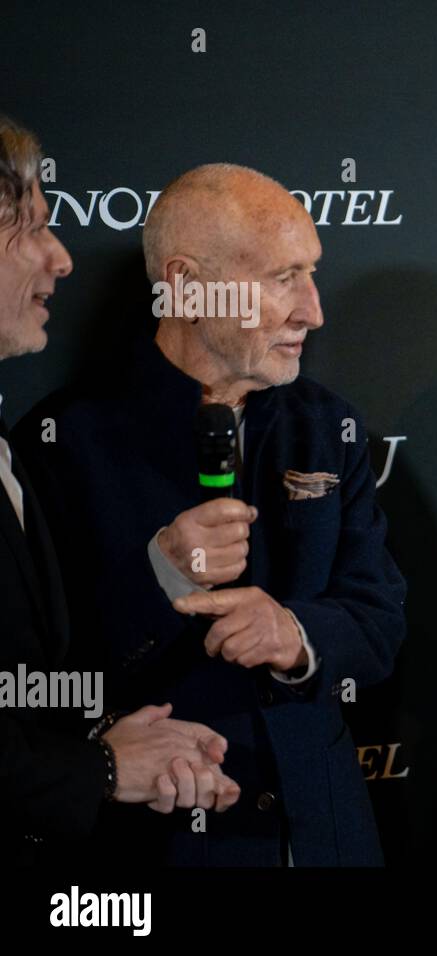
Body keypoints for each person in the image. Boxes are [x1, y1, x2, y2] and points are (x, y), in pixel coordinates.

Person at [14, 162, 406, 865]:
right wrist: (158, 577)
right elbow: (38, 677)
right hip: (151, 847)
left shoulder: (328, 427)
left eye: (311, 274)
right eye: (282, 278)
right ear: (187, 286)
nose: (312, 310)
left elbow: (380, 620)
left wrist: (293, 633)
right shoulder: (61, 441)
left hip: (320, 838)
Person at [0, 116, 238, 865]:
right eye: (28, 227)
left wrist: (111, 743)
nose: (60, 257)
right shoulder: (64, 436)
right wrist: (100, 769)